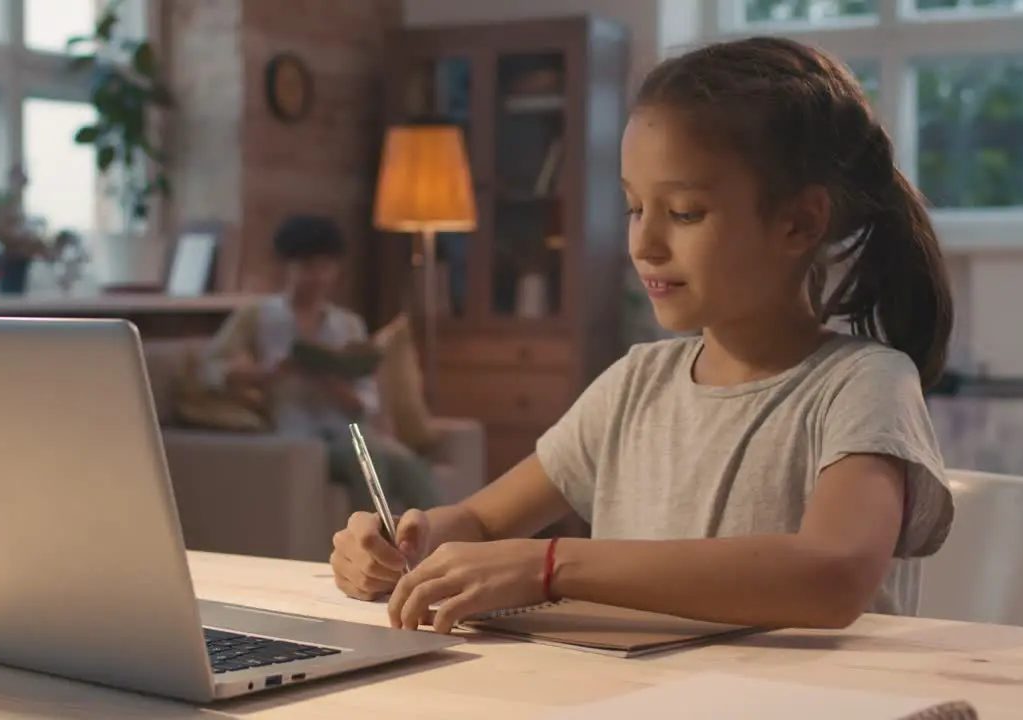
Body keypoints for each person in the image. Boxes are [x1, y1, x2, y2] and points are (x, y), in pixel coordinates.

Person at [330, 36, 957, 635]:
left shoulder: (865, 384)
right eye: (634, 208)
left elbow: (834, 573)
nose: (645, 243)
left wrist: (551, 567)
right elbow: (480, 521)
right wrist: (406, 544)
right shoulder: (636, 384)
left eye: (683, 212)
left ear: (798, 222)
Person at [200, 214, 442, 513]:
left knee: (413, 470)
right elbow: (209, 370)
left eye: (326, 267)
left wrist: (330, 379)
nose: (318, 277)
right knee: (368, 460)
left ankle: (444, 546)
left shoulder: (348, 324)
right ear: (285, 267)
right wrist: (268, 372)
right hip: (296, 432)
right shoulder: (258, 315)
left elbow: (366, 401)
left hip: (348, 427)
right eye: (307, 267)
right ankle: (373, 547)